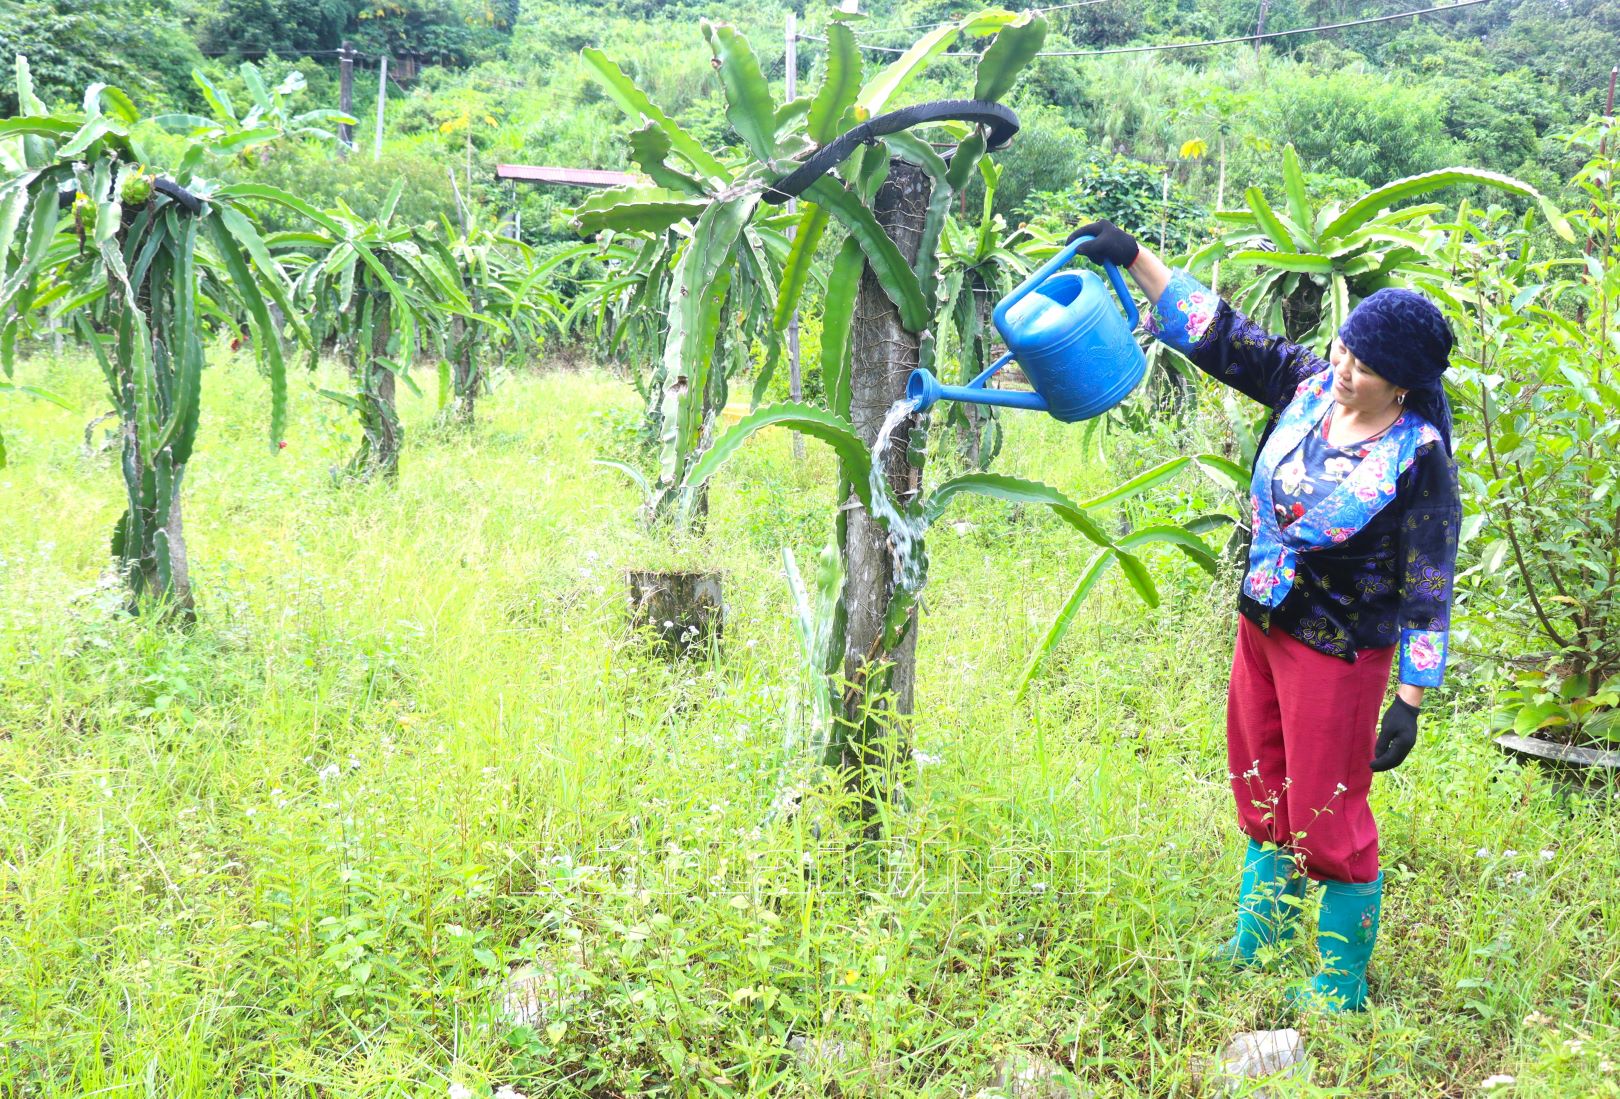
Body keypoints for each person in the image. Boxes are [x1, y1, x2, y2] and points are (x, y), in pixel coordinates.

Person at [1068, 220, 1461, 1013]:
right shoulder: (1312, 386)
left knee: (1327, 805)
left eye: (1368, 366)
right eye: (1347, 350)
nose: (1347, 370)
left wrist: (1410, 701)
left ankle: (1341, 980)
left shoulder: (1418, 456)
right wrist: (1132, 256)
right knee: (1261, 779)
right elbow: (1224, 335)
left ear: (1405, 385)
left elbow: (1429, 580)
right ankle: (1263, 936)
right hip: (1265, 623)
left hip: (1340, 649)